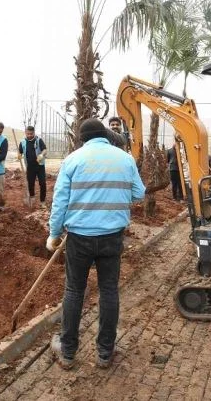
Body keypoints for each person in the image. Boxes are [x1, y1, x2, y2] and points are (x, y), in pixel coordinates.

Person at [46, 118, 145, 370]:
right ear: (106, 135)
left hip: (79, 237)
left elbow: (59, 202)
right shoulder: (124, 159)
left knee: (73, 291)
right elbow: (139, 193)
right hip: (112, 235)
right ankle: (105, 353)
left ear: (82, 139)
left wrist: (54, 234)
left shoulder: (73, 160)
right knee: (109, 290)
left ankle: (67, 353)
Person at [17, 126, 48, 208]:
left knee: (42, 183)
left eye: (31, 134)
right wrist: (19, 155)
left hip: (40, 166)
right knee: (30, 184)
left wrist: (41, 155)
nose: (30, 135)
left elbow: (45, 149)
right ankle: (32, 199)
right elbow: (20, 152)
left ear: (34, 133)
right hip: (30, 167)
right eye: (28, 134)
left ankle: (42, 202)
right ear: (25, 133)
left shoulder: (38, 140)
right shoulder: (23, 142)